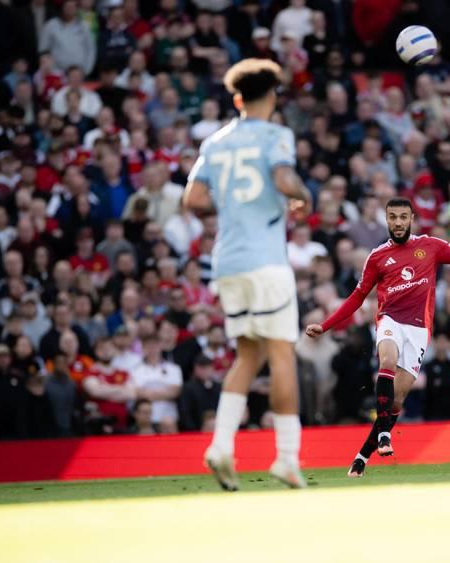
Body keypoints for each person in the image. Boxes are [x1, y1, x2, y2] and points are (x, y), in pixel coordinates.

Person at [185, 59, 313, 491]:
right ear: (273, 96)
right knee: (281, 355)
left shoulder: (215, 142)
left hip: (228, 261)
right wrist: (303, 197)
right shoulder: (277, 135)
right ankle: (288, 458)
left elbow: (194, 198)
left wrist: (232, 206)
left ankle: (221, 445)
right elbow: (282, 178)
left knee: (248, 355)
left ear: (237, 99)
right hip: (265, 259)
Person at [305, 198, 450, 477]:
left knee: (397, 401)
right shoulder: (376, 257)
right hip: (390, 320)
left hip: (419, 330)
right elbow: (357, 297)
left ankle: (362, 456)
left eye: (402, 217)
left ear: (412, 218)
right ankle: (385, 436)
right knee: (387, 360)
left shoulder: (430, 246)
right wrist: (325, 326)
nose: (398, 222)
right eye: (392, 217)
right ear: (386, 220)